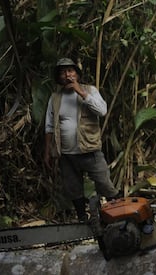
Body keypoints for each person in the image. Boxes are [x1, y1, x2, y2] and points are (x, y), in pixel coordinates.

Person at [44, 57, 119, 222]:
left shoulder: (90, 90)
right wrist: (48, 151)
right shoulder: (55, 98)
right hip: (66, 154)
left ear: (77, 74)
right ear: (59, 77)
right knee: (73, 189)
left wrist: (81, 92)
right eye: (63, 72)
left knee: (105, 183)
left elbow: (102, 111)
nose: (67, 75)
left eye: (70, 71)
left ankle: (120, 215)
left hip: (90, 150)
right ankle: (82, 219)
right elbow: (49, 126)